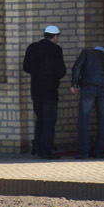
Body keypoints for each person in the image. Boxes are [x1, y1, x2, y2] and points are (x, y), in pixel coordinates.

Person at [22, 24, 66, 158]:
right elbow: (61, 71)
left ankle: (37, 148)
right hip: (50, 91)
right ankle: (46, 151)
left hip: (36, 91)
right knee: (49, 122)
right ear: (55, 36)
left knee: (40, 120)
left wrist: (36, 73)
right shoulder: (56, 50)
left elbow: (26, 67)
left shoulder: (32, 47)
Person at [71, 46, 104, 159]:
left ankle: (84, 152)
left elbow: (77, 67)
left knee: (83, 119)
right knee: (103, 121)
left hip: (89, 88)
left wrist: (74, 84)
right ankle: (99, 152)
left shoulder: (87, 52)